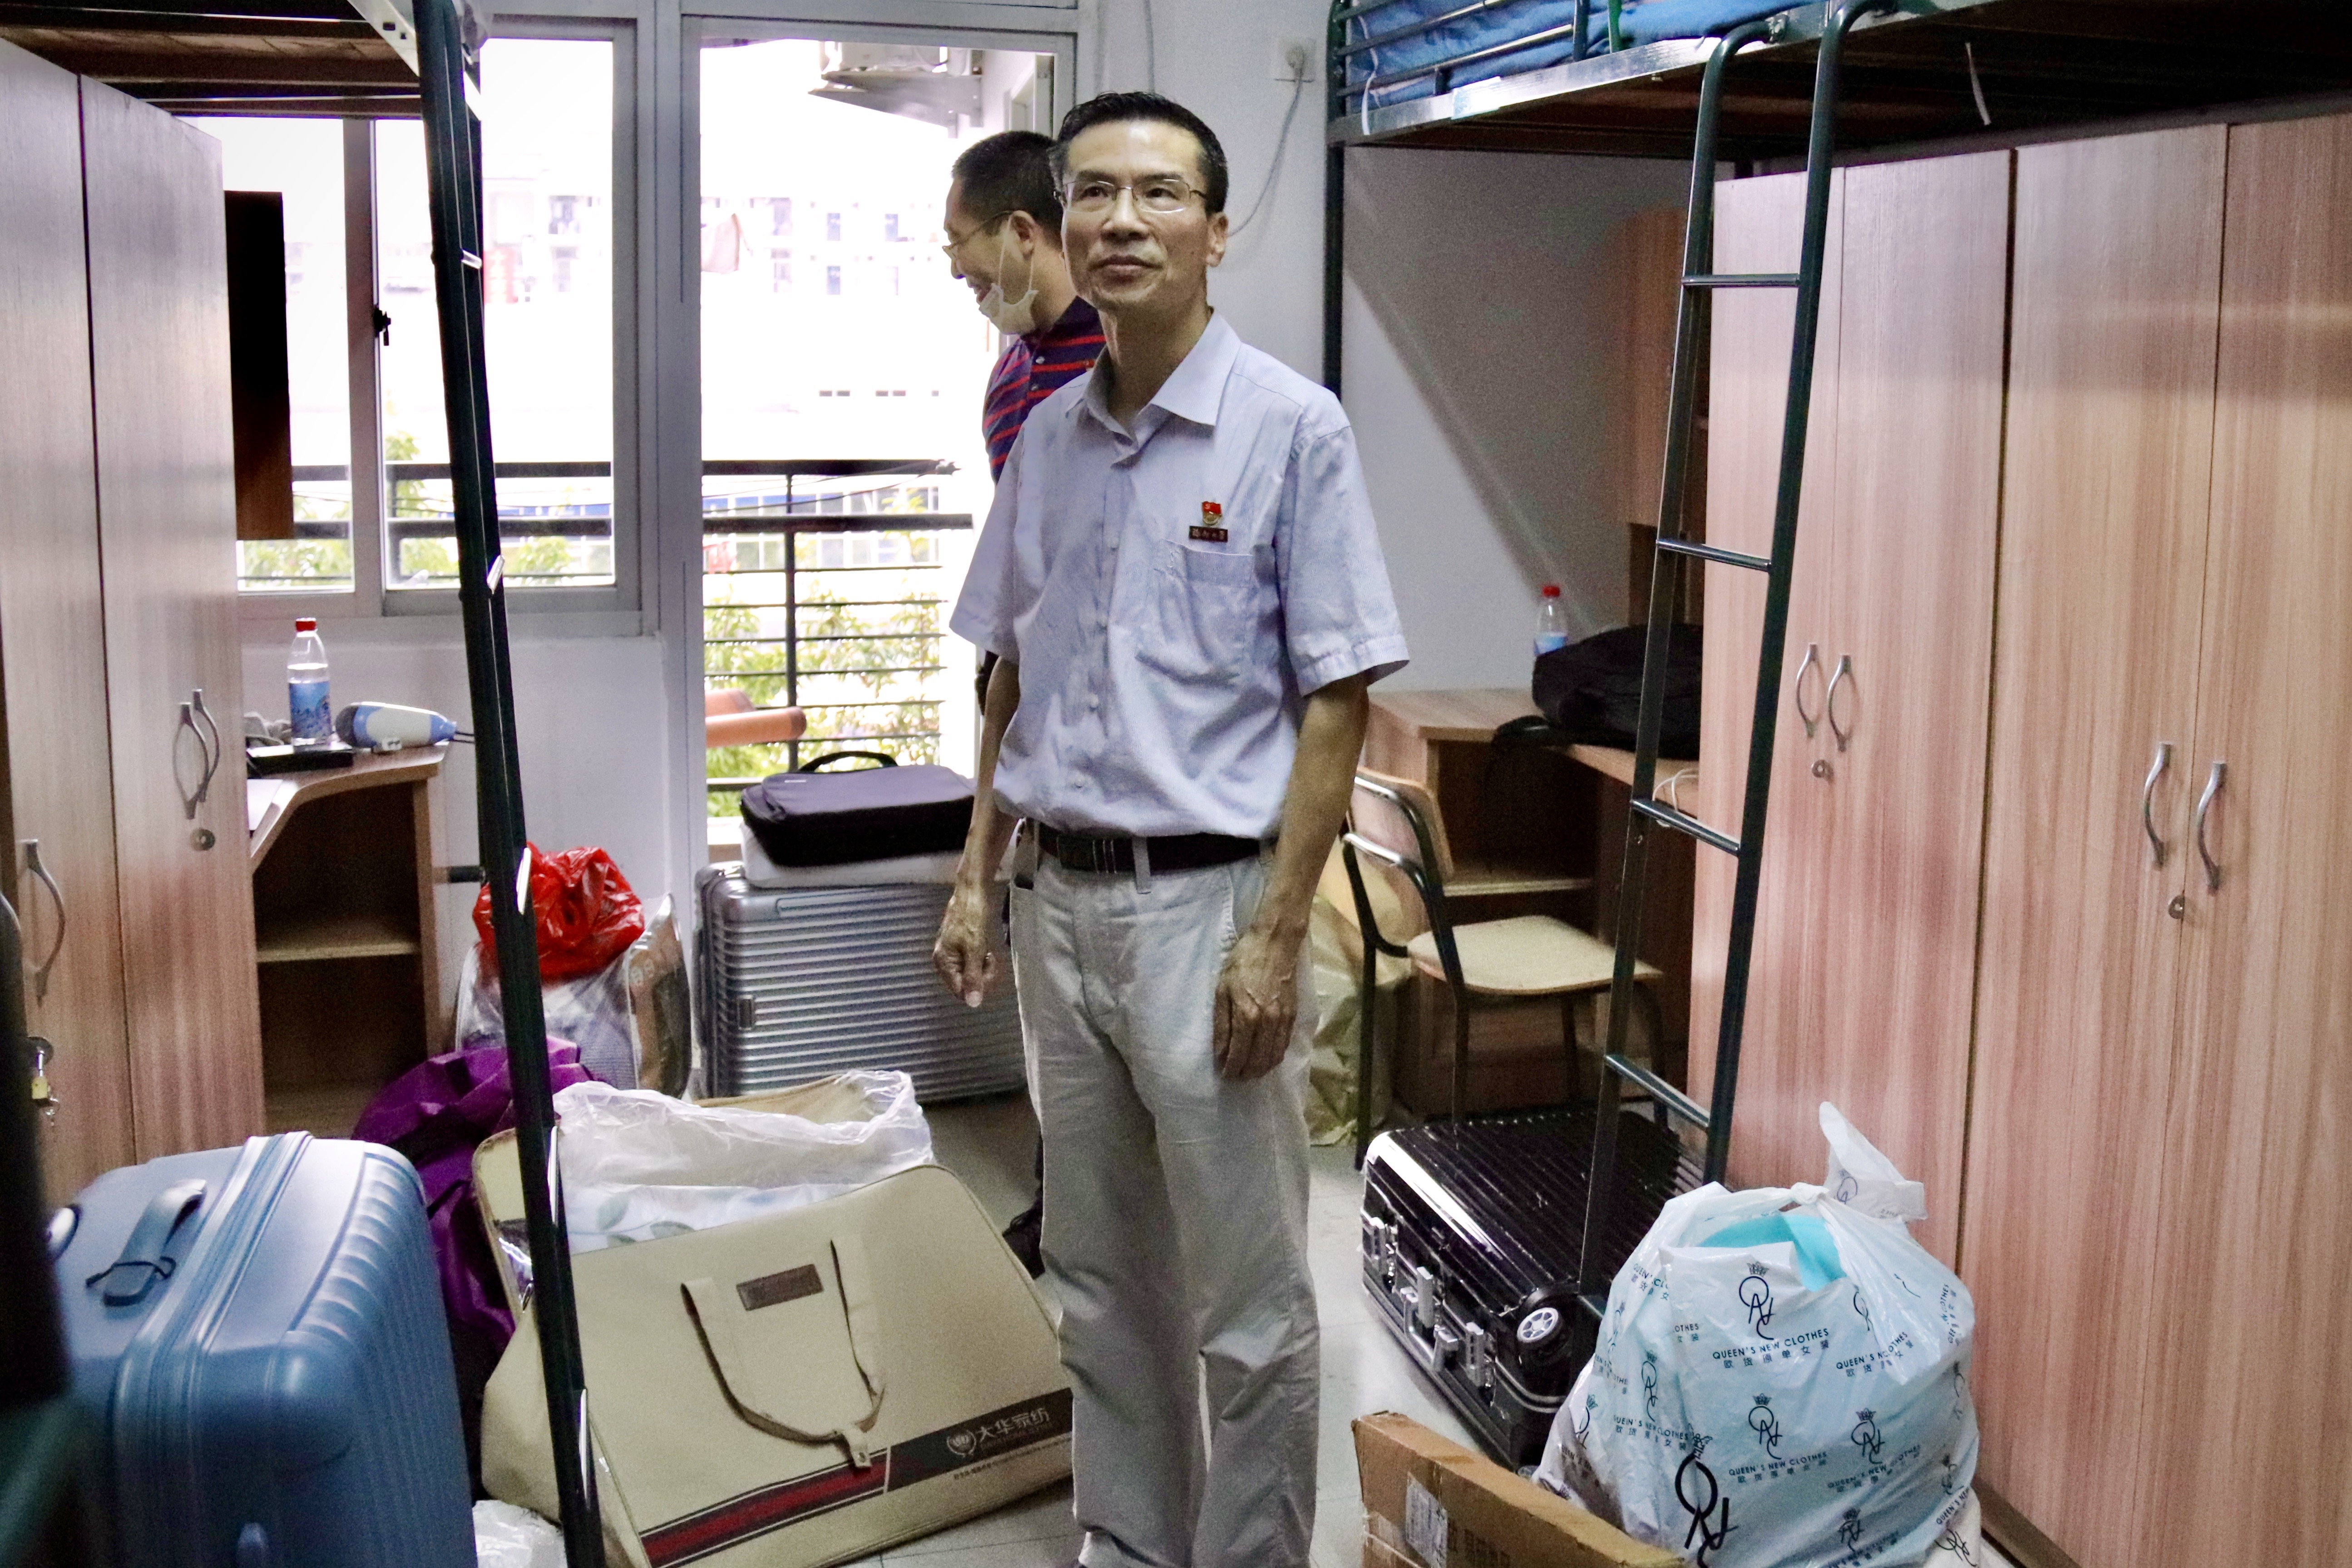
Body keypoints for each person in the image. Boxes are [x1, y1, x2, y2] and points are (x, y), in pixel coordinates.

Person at [933, 92, 1408, 1568]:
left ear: (1215, 229)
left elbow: (1337, 699)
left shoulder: (1290, 429)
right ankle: (1130, 1542)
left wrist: (1279, 931)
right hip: (1062, 907)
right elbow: (1010, 673)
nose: (1121, 219)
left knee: (1246, 1302)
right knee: (1096, 1275)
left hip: (1210, 916)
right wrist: (974, 872)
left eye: (1156, 193)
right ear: (1064, 224)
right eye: (1094, 193)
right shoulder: (1047, 439)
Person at [943, 128, 1106, 1276]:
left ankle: (1087, 1210)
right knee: (1050, 984)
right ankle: (1066, 1197)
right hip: (1027, 674)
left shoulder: (1120, 353)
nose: (956, 269)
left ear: (1020, 233)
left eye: (961, 244)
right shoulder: (1011, 377)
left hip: (1112, 706)